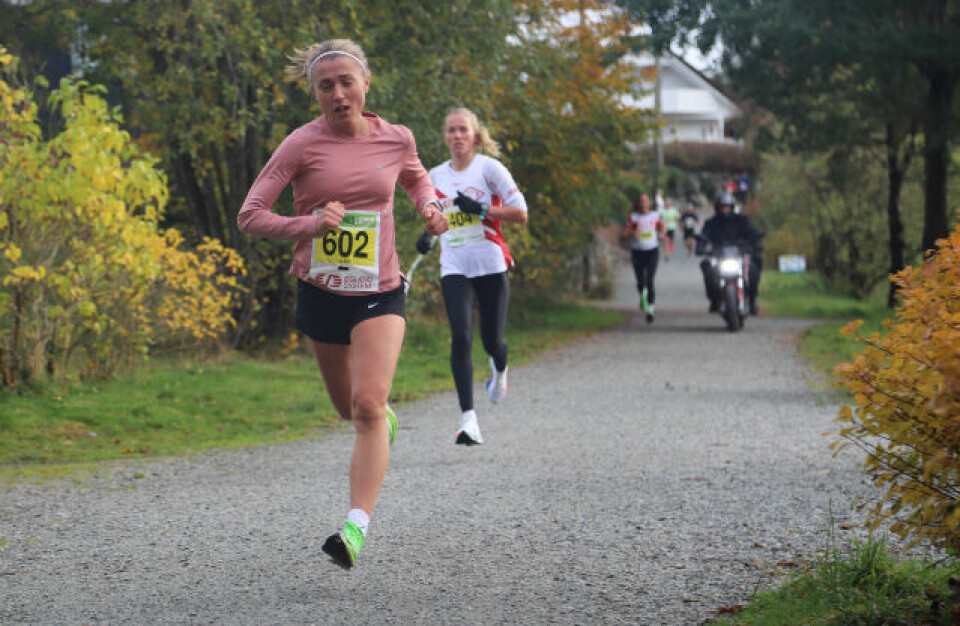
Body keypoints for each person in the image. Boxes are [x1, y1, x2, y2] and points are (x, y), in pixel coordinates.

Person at [237, 39, 448, 570]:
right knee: (346, 409)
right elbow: (251, 215)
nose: (337, 92)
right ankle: (380, 422)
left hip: (380, 291)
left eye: (346, 82)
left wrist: (429, 205)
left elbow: (418, 176)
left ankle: (354, 528)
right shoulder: (300, 145)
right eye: (325, 85)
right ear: (315, 93)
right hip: (322, 292)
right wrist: (309, 224)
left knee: (367, 405)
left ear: (365, 84)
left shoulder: (396, 138)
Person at [416, 108, 528, 446]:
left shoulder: (489, 169)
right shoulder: (435, 176)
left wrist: (480, 210)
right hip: (455, 267)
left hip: (490, 264)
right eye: (451, 130)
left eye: (463, 130)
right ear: (445, 137)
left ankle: (500, 369)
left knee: (492, 340)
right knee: (461, 336)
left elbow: (521, 214)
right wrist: (428, 236)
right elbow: (436, 217)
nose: (457, 136)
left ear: (475, 136)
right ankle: (469, 420)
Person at [699, 192, 762, 315]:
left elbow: (751, 234)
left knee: (754, 269)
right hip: (718, 255)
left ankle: (752, 299)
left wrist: (755, 245)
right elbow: (704, 236)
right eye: (723, 206)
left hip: (740, 254)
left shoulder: (741, 220)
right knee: (708, 269)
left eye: (728, 206)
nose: (725, 209)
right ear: (718, 207)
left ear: (732, 207)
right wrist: (701, 247)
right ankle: (714, 299)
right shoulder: (711, 223)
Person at [620, 192, 664, 323]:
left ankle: (650, 309)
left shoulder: (655, 215)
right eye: (641, 202)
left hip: (652, 251)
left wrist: (662, 234)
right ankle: (642, 296)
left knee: (649, 279)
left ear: (649, 203)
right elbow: (623, 234)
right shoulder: (633, 218)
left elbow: (663, 228)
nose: (644, 204)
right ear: (638, 204)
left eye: (646, 201)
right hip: (638, 252)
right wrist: (631, 232)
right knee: (640, 281)